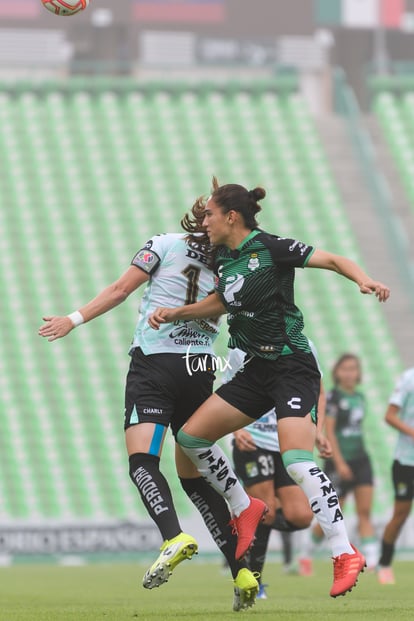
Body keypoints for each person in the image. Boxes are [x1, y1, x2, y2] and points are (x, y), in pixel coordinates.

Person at [149, 179, 390, 597]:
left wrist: (363, 280)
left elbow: (332, 259)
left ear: (231, 216)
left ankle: (343, 550)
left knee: (297, 462)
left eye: (209, 213)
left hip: (293, 367)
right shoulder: (224, 256)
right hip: (255, 371)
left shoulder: (273, 247)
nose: (203, 220)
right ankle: (245, 506)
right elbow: (221, 303)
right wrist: (177, 313)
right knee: (190, 436)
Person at [38, 195, 260, 611]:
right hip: (199, 368)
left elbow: (121, 290)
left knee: (142, 461)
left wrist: (74, 318)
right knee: (193, 477)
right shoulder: (230, 265)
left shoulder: (164, 243)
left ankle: (174, 536)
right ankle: (242, 570)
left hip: (155, 365)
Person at [228, 345, 330, 598]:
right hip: (253, 440)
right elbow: (225, 392)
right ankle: (254, 582)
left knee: (301, 516)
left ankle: (244, 526)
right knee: (267, 510)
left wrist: (318, 429)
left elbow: (318, 390)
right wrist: (236, 430)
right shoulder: (241, 346)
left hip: (287, 441)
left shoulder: (303, 345)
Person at [305, 354, 377, 572]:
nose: (349, 373)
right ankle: (306, 553)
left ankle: (372, 561)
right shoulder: (334, 397)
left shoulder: (360, 397)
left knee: (365, 510)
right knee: (336, 511)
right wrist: (340, 463)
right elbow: (331, 432)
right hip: (338, 462)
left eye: (353, 369)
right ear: (337, 372)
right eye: (345, 369)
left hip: (361, 459)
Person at [377, 366, 414, 585]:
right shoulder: (409, 378)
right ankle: (384, 563)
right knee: (401, 514)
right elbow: (389, 416)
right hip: (406, 461)